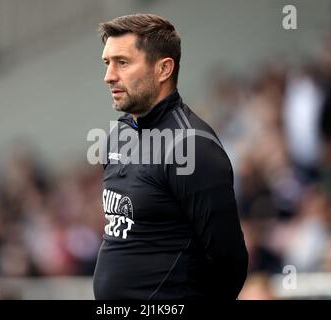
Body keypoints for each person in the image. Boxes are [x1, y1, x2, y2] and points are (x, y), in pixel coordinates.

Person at [92, 13, 248, 300]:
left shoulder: (193, 147)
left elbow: (230, 265)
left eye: (122, 63)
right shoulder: (118, 134)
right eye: (107, 63)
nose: (109, 76)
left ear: (164, 69)